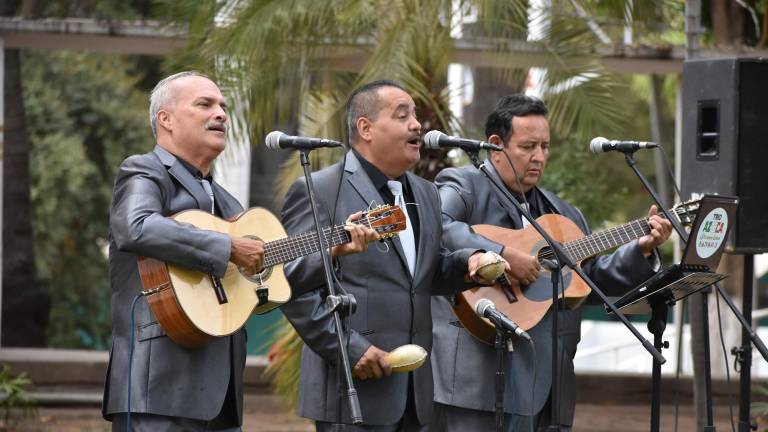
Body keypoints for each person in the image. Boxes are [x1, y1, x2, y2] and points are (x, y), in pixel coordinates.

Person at [102, 71, 374, 431]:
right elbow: (135, 226)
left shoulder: (228, 202)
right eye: (205, 104)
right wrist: (228, 246)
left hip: (222, 398)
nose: (220, 113)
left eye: (223, 106)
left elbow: (268, 287)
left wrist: (331, 250)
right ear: (165, 119)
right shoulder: (145, 170)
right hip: (156, 385)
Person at [429, 94, 673, 432]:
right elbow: (438, 226)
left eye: (545, 147)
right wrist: (502, 253)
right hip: (476, 382)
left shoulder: (564, 214)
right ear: (496, 145)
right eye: (528, 147)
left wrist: (641, 250)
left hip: (549, 384)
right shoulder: (463, 185)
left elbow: (587, 280)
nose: (539, 157)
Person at [280, 80, 501, 432]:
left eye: (415, 115)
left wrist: (468, 262)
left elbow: (425, 275)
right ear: (365, 128)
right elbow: (291, 284)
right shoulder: (321, 189)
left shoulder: (426, 193)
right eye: (402, 116)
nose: (417, 125)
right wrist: (349, 349)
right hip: (351, 390)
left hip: (416, 392)